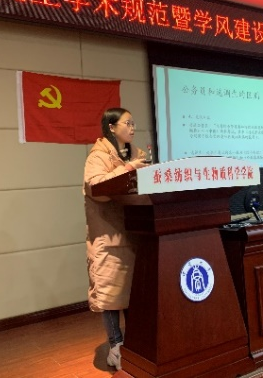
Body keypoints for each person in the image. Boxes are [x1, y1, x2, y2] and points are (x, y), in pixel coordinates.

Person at [83, 107, 150, 371]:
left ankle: (135, 342)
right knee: (111, 295)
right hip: (108, 236)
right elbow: (95, 187)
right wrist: (130, 168)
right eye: (127, 123)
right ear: (111, 127)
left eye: (134, 123)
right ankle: (115, 347)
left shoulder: (137, 154)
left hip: (135, 234)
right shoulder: (98, 156)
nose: (132, 128)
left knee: (134, 292)